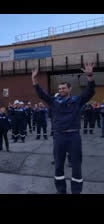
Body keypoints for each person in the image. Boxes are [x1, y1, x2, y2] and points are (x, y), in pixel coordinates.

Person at [32, 63, 95, 194]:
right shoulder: (54, 101)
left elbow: (89, 92)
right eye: (59, 89)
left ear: (69, 89)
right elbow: (41, 94)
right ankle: (61, 190)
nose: (61, 90)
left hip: (73, 137)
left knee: (76, 165)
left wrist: (89, 76)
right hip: (59, 136)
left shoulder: (77, 101)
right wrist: (34, 79)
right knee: (58, 165)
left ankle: (76, 191)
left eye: (63, 88)